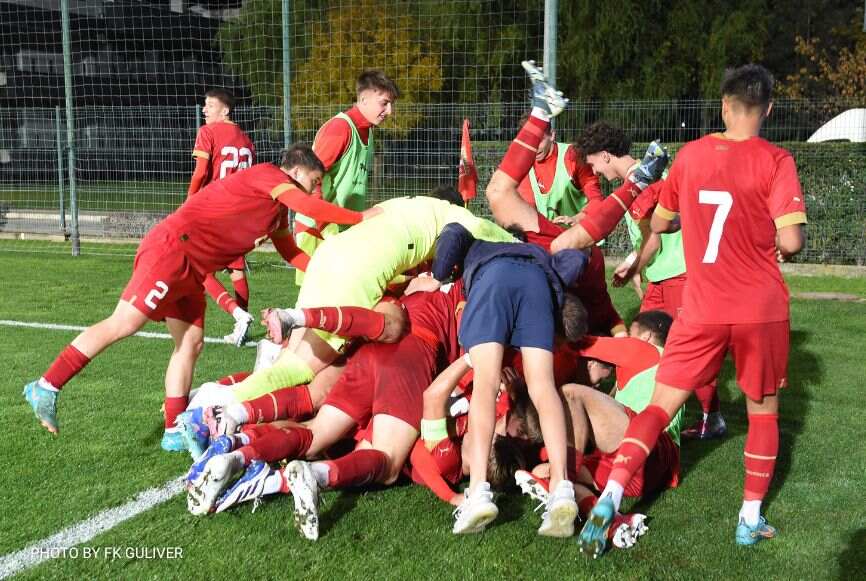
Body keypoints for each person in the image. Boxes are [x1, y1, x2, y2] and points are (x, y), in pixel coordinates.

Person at [578, 64, 807, 557]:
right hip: (760, 307)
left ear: (724, 106)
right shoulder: (777, 159)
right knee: (762, 411)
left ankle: (613, 491)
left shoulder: (691, 155)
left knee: (660, 406)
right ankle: (748, 517)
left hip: (701, 306)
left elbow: (662, 221)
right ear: (767, 108)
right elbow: (790, 240)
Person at [22, 144, 367, 451]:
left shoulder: (276, 211)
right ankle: (47, 386)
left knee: (190, 343)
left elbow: (290, 252)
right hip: (172, 250)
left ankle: (173, 429)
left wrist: (328, 273)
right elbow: (307, 204)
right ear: (295, 171)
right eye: (315, 180)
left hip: (193, 268)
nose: (318, 189)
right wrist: (361, 218)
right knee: (124, 322)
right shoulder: (267, 175)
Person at [580, 121, 728, 440]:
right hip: (664, 278)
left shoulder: (641, 182)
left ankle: (710, 417)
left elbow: (655, 239)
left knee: (682, 348)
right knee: (641, 343)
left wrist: (633, 266)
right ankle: (633, 409)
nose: (594, 172)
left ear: (605, 156)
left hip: (680, 276)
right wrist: (642, 271)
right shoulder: (644, 176)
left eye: (592, 163)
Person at [294, 70, 400, 284]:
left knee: (341, 302)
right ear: (364, 99)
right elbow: (311, 178)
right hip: (319, 229)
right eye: (384, 103)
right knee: (318, 302)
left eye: (391, 104)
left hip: (342, 228)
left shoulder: (367, 131)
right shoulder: (340, 129)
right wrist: (325, 226)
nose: (389, 111)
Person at [187, 88, 258, 347]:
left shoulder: (208, 132)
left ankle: (238, 314)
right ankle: (242, 326)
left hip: (216, 210)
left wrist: (189, 201)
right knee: (236, 269)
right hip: (241, 213)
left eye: (210, 105)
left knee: (197, 267)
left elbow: (200, 172)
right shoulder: (247, 140)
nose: (204, 110)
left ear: (225, 110)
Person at [515, 114, 603, 221]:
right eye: (529, 141)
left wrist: (577, 219)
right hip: (552, 235)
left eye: (539, 140)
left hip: (584, 232)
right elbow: (529, 213)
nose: (534, 147)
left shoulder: (573, 156)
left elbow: (596, 200)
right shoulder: (525, 166)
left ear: (552, 135)